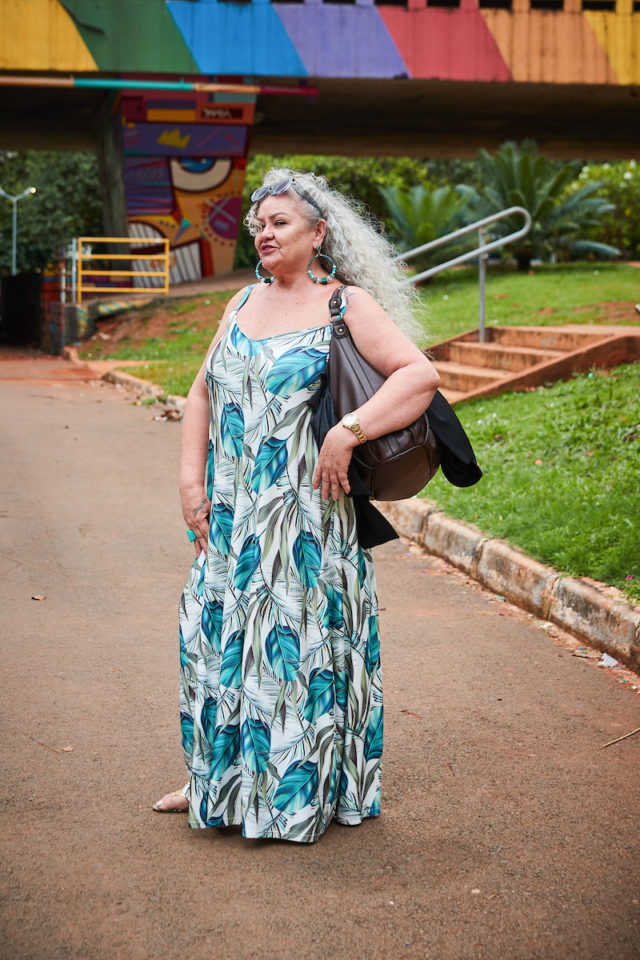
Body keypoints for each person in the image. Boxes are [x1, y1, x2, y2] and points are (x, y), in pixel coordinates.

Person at [153, 169, 440, 842]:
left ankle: (292, 793)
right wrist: (191, 484)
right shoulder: (243, 302)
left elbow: (419, 374)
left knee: (293, 652)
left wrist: (348, 431)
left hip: (304, 522)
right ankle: (215, 779)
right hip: (231, 517)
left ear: (319, 233)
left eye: (281, 221)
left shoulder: (346, 306)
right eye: (260, 221)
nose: (265, 231)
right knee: (212, 639)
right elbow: (201, 395)